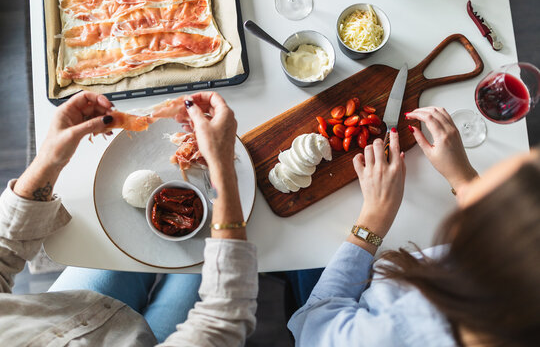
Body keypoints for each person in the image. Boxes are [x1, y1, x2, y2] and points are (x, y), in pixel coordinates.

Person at [0, 91, 258, 346]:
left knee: (162, 256)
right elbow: (222, 321)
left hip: (69, 310)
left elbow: (3, 252)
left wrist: (50, 157)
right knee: (195, 269)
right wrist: (221, 169)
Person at [288, 107, 540, 346]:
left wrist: (374, 219)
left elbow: (311, 330)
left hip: (336, 307)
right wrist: (464, 181)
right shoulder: (519, 281)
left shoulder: (404, 331)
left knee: (298, 249)